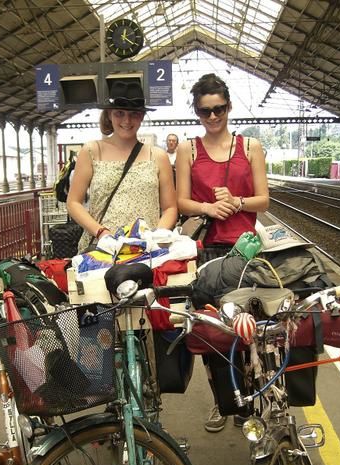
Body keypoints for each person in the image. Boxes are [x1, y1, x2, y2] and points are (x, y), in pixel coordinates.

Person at [176, 73, 269, 433]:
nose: (213, 118)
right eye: (205, 112)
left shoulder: (250, 147)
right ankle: (222, 397)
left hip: (246, 251)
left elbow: (264, 199)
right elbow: (182, 200)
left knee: (248, 328)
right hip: (208, 251)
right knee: (212, 330)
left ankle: (246, 395)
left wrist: (237, 202)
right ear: (197, 112)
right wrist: (208, 209)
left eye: (218, 110)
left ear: (229, 107)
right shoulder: (188, 149)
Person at [67, 81, 177, 253]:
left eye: (134, 114)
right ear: (109, 114)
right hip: (102, 250)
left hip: (146, 252)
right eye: (120, 113)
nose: (127, 120)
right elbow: (73, 202)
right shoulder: (91, 151)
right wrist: (101, 232)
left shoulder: (157, 156)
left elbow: (170, 207)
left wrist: (157, 237)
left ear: (141, 116)